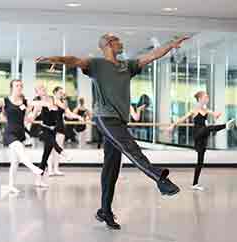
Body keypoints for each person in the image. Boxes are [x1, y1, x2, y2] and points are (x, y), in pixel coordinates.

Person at [36, 33, 189, 229]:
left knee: (111, 169)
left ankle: (104, 211)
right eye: (117, 40)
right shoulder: (96, 65)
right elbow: (74, 60)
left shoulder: (127, 66)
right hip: (104, 117)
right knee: (130, 146)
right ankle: (159, 178)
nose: (121, 42)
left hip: (119, 120)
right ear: (108, 44)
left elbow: (152, 55)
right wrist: (55, 58)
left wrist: (171, 44)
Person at [168, 91, 235, 191]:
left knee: (200, 162)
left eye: (207, 97)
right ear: (200, 99)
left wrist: (217, 115)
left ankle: (195, 184)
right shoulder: (194, 109)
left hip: (203, 137)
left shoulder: (206, 109)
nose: (207, 98)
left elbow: (215, 114)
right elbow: (182, 118)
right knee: (207, 128)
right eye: (206, 97)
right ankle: (226, 126)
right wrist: (173, 125)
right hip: (198, 133)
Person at [35, 95, 70, 186]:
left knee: (45, 157)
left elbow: (66, 111)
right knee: (53, 143)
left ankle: (39, 179)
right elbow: (35, 109)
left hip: (52, 132)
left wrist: (78, 117)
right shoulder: (44, 108)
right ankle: (62, 152)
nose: (49, 102)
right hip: (44, 130)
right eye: (47, 100)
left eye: (51, 100)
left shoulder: (56, 109)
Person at [49, 86, 83, 176]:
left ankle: (56, 169)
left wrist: (78, 117)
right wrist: (65, 100)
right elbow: (62, 106)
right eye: (60, 92)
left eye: (62, 93)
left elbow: (69, 115)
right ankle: (49, 170)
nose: (62, 94)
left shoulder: (62, 102)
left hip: (60, 126)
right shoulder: (52, 100)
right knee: (51, 149)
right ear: (55, 92)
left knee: (59, 149)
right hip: (51, 127)